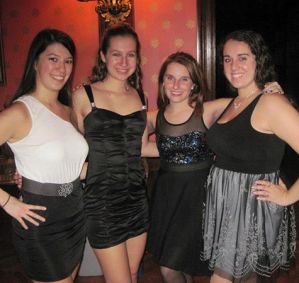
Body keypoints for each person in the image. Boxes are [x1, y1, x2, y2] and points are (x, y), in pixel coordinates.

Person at [201, 29, 299, 283]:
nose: (234, 66)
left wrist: (289, 196)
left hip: (252, 209)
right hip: (227, 206)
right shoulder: (232, 103)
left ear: (259, 60)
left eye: (243, 57)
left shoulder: (271, 103)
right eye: (227, 59)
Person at [0, 29, 88, 283]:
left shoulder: (69, 111)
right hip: (40, 218)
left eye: (68, 60)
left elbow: (74, 168)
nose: (62, 67)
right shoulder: (21, 111)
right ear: (35, 62)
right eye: (53, 58)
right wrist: (8, 203)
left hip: (75, 212)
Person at [71, 23, 148, 283]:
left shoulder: (139, 96)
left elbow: (143, 145)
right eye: (116, 54)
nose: (124, 61)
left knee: (134, 273)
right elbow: (67, 147)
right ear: (103, 56)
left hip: (137, 198)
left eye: (131, 54)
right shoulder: (84, 96)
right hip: (102, 203)